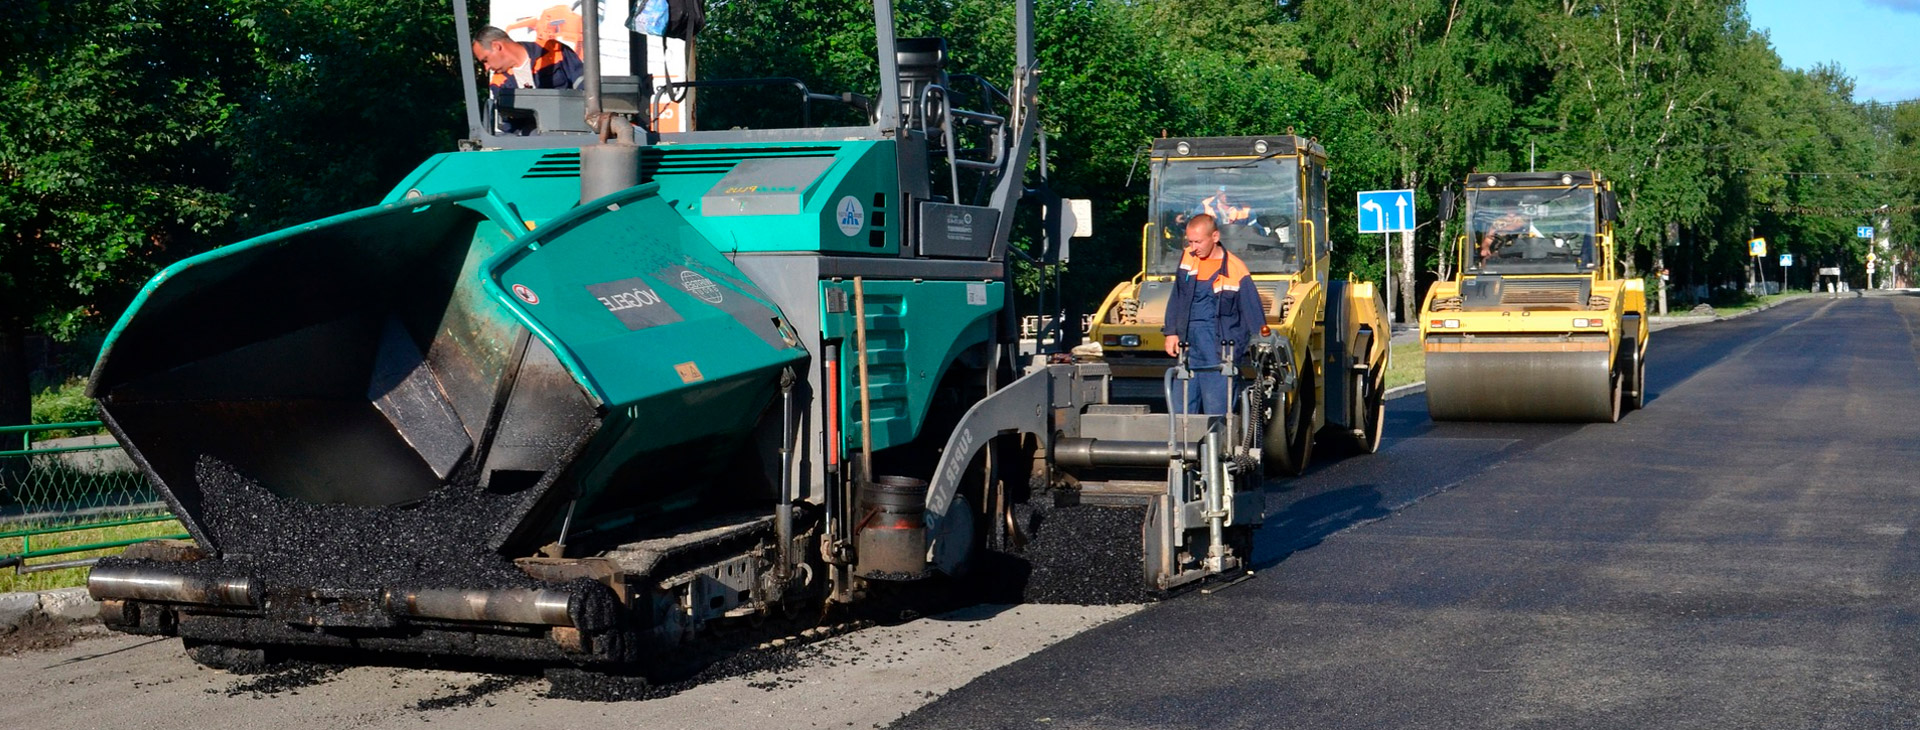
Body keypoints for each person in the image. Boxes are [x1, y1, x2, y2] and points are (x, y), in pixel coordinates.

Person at [1161, 214, 1268, 415]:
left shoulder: (1236, 270)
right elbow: (1177, 297)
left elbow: (1253, 312)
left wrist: (1261, 345)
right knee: (1181, 410)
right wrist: (1171, 332)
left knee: (1217, 415)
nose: (1194, 247)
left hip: (1220, 354)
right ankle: (1184, 447)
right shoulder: (1187, 259)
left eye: (1198, 242)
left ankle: (1219, 446)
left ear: (1215, 236)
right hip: (1188, 351)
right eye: (1190, 241)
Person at [472, 25, 583, 90]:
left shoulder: (553, 50)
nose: (486, 68)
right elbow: (509, 126)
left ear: (497, 46)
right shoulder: (498, 83)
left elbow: (585, 85)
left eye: (485, 60)